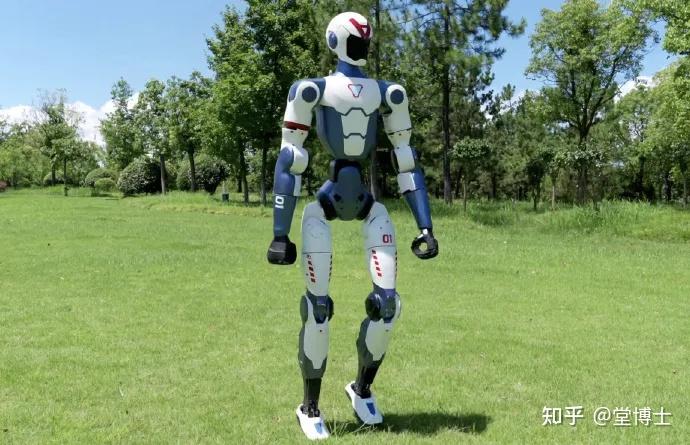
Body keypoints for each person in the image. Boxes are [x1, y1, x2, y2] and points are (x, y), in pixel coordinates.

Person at [266, 11, 439, 440]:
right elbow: (290, 159)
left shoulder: (389, 94)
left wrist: (425, 226)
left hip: (367, 205)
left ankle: (362, 389)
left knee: (388, 305)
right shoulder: (313, 90)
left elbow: (406, 162)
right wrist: (279, 233)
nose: (363, 42)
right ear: (338, 41)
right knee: (318, 309)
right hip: (323, 206)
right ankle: (309, 405)